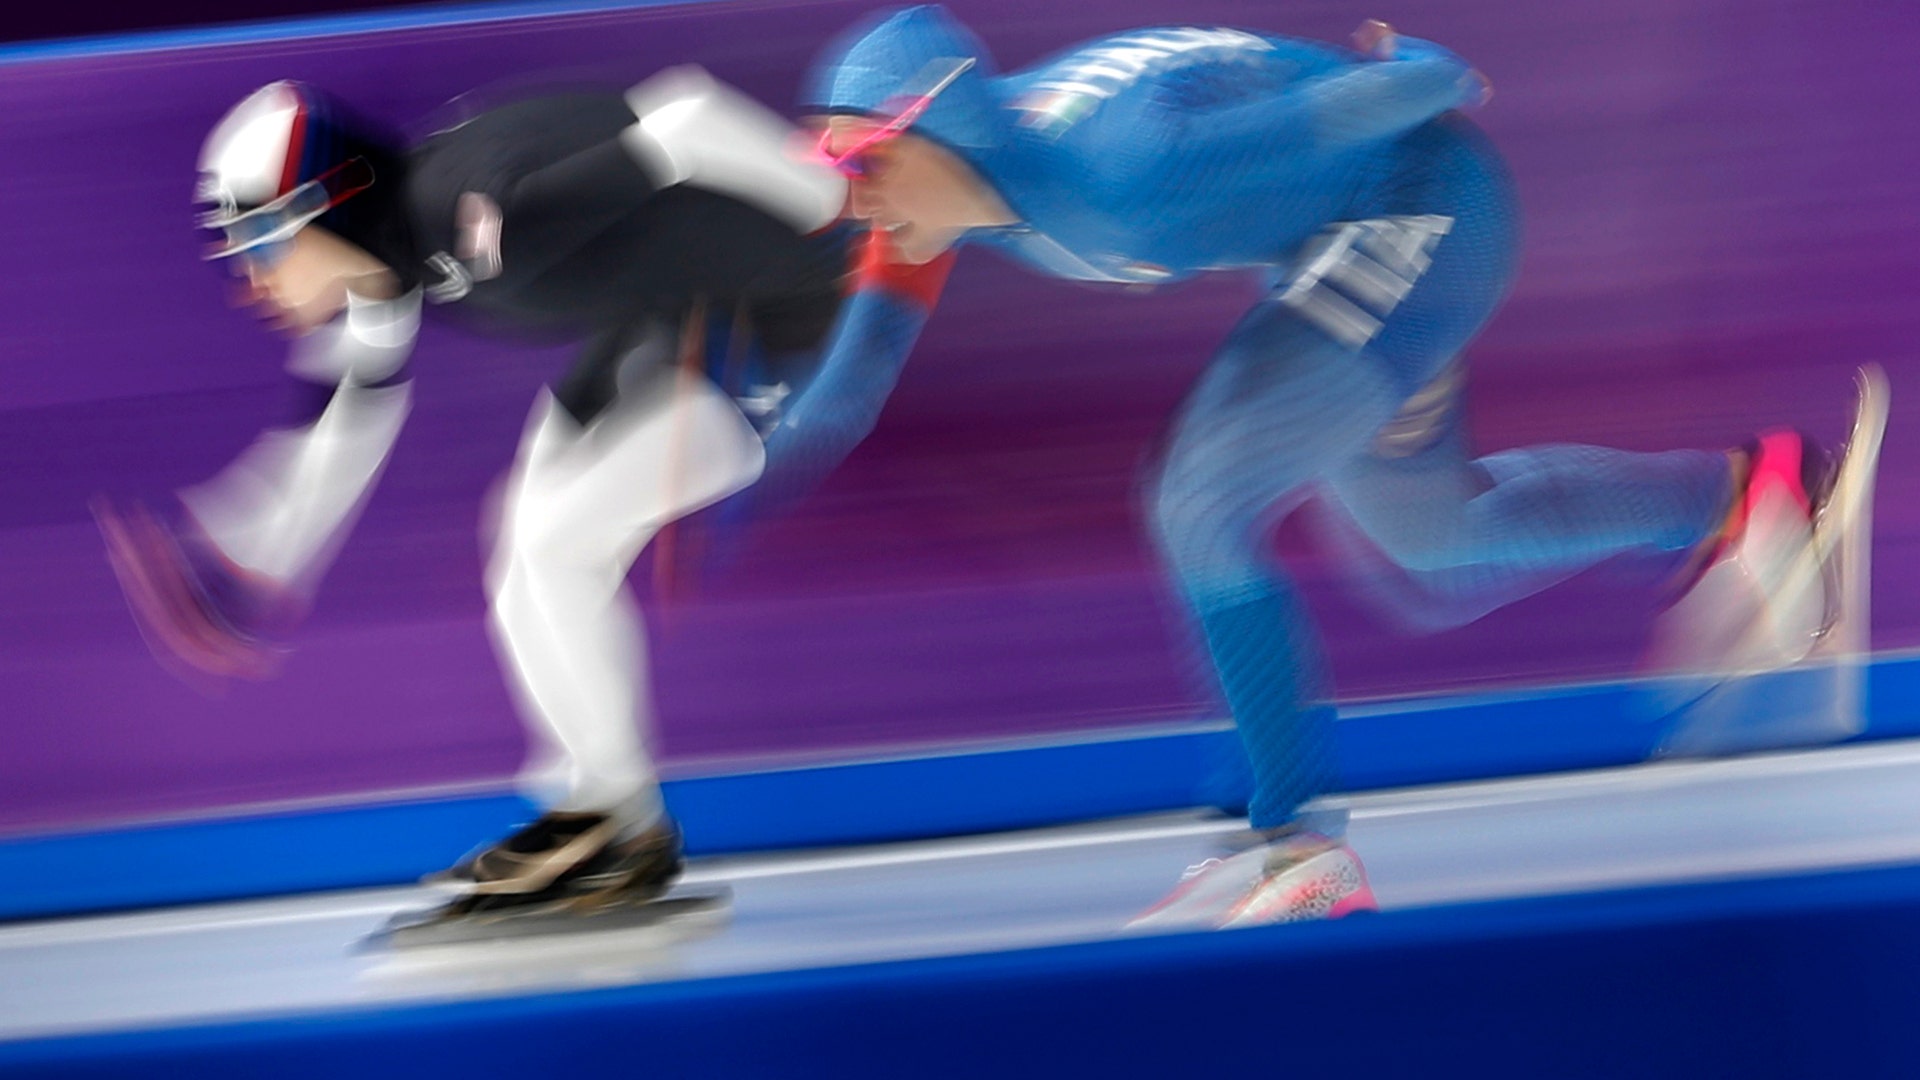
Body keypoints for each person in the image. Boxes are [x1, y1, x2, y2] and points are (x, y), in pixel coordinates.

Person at [793, 6, 1874, 928]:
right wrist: (673, 484)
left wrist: (1417, 68)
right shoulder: (936, 208)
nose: (856, 197)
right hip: (1335, 239)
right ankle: (1753, 497)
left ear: (942, 126)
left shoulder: (1126, 165)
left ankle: (1297, 848)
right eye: (834, 168)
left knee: (1201, 501)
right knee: (1440, 544)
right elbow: (843, 397)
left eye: (864, 161)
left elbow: (1412, 93)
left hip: (1428, 207)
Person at [97, 70, 954, 926]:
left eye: (259, 246)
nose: (253, 282)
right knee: (520, 542)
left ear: (325, 208)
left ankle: (618, 824)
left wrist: (838, 210)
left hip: (800, 323)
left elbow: (686, 115)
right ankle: (597, 810)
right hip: (680, 311)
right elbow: (347, 419)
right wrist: (256, 562)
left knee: (554, 546)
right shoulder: (390, 254)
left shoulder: (472, 215)